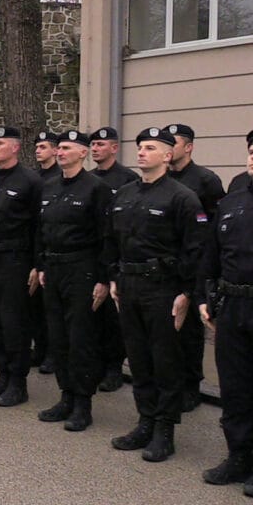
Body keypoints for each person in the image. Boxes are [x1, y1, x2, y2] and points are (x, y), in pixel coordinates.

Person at [105, 126, 202, 463]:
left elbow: (195, 249)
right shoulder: (125, 194)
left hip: (163, 288)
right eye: (140, 147)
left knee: (165, 361)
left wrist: (186, 293)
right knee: (139, 358)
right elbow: (113, 241)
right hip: (129, 286)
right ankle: (145, 421)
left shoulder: (182, 197)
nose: (142, 152)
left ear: (167, 154)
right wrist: (114, 276)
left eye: (150, 147)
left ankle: (165, 430)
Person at [35, 130, 111, 431]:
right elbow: (43, 229)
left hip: (82, 268)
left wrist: (104, 278)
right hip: (53, 268)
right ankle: (65, 395)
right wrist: (41, 264)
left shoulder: (96, 188)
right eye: (60, 148)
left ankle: (82, 403)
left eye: (67, 148)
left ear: (83, 153)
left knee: (80, 338)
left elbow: (107, 236)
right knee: (58, 337)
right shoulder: (50, 187)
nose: (61, 152)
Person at [197, 130, 253, 491]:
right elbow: (212, 254)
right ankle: (239, 457)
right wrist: (205, 296)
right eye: (251, 151)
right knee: (234, 388)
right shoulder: (233, 201)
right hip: (233, 306)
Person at [0, 126, 43, 407]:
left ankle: (18, 382)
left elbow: (39, 227)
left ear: (15, 148)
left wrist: (36, 265)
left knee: (14, 321)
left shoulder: (30, 181)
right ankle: (3, 374)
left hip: (16, 259)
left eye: (0, 143)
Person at [166, 123, 225, 412]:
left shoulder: (205, 180)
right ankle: (168, 382)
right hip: (164, 264)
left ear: (188, 147)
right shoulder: (159, 178)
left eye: (173, 142)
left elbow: (213, 228)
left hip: (192, 262)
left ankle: (191, 385)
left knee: (189, 329)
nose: (169, 147)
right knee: (166, 329)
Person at [89, 126, 138, 392]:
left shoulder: (128, 179)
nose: (95, 148)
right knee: (93, 316)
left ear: (114, 148)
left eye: (100, 144)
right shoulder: (88, 178)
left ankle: (113, 368)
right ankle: (96, 364)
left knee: (112, 318)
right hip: (91, 254)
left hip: (116, 253)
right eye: (93, 144)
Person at [32, 131, 60, 374]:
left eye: (43, 146)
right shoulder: (34, 178)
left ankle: (52, 353)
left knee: (51, 310)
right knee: (36, 309)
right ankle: (40, 349)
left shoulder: (59, 177)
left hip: (62, 257)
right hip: (40, 250)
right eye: (36, 147)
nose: (38, 150)